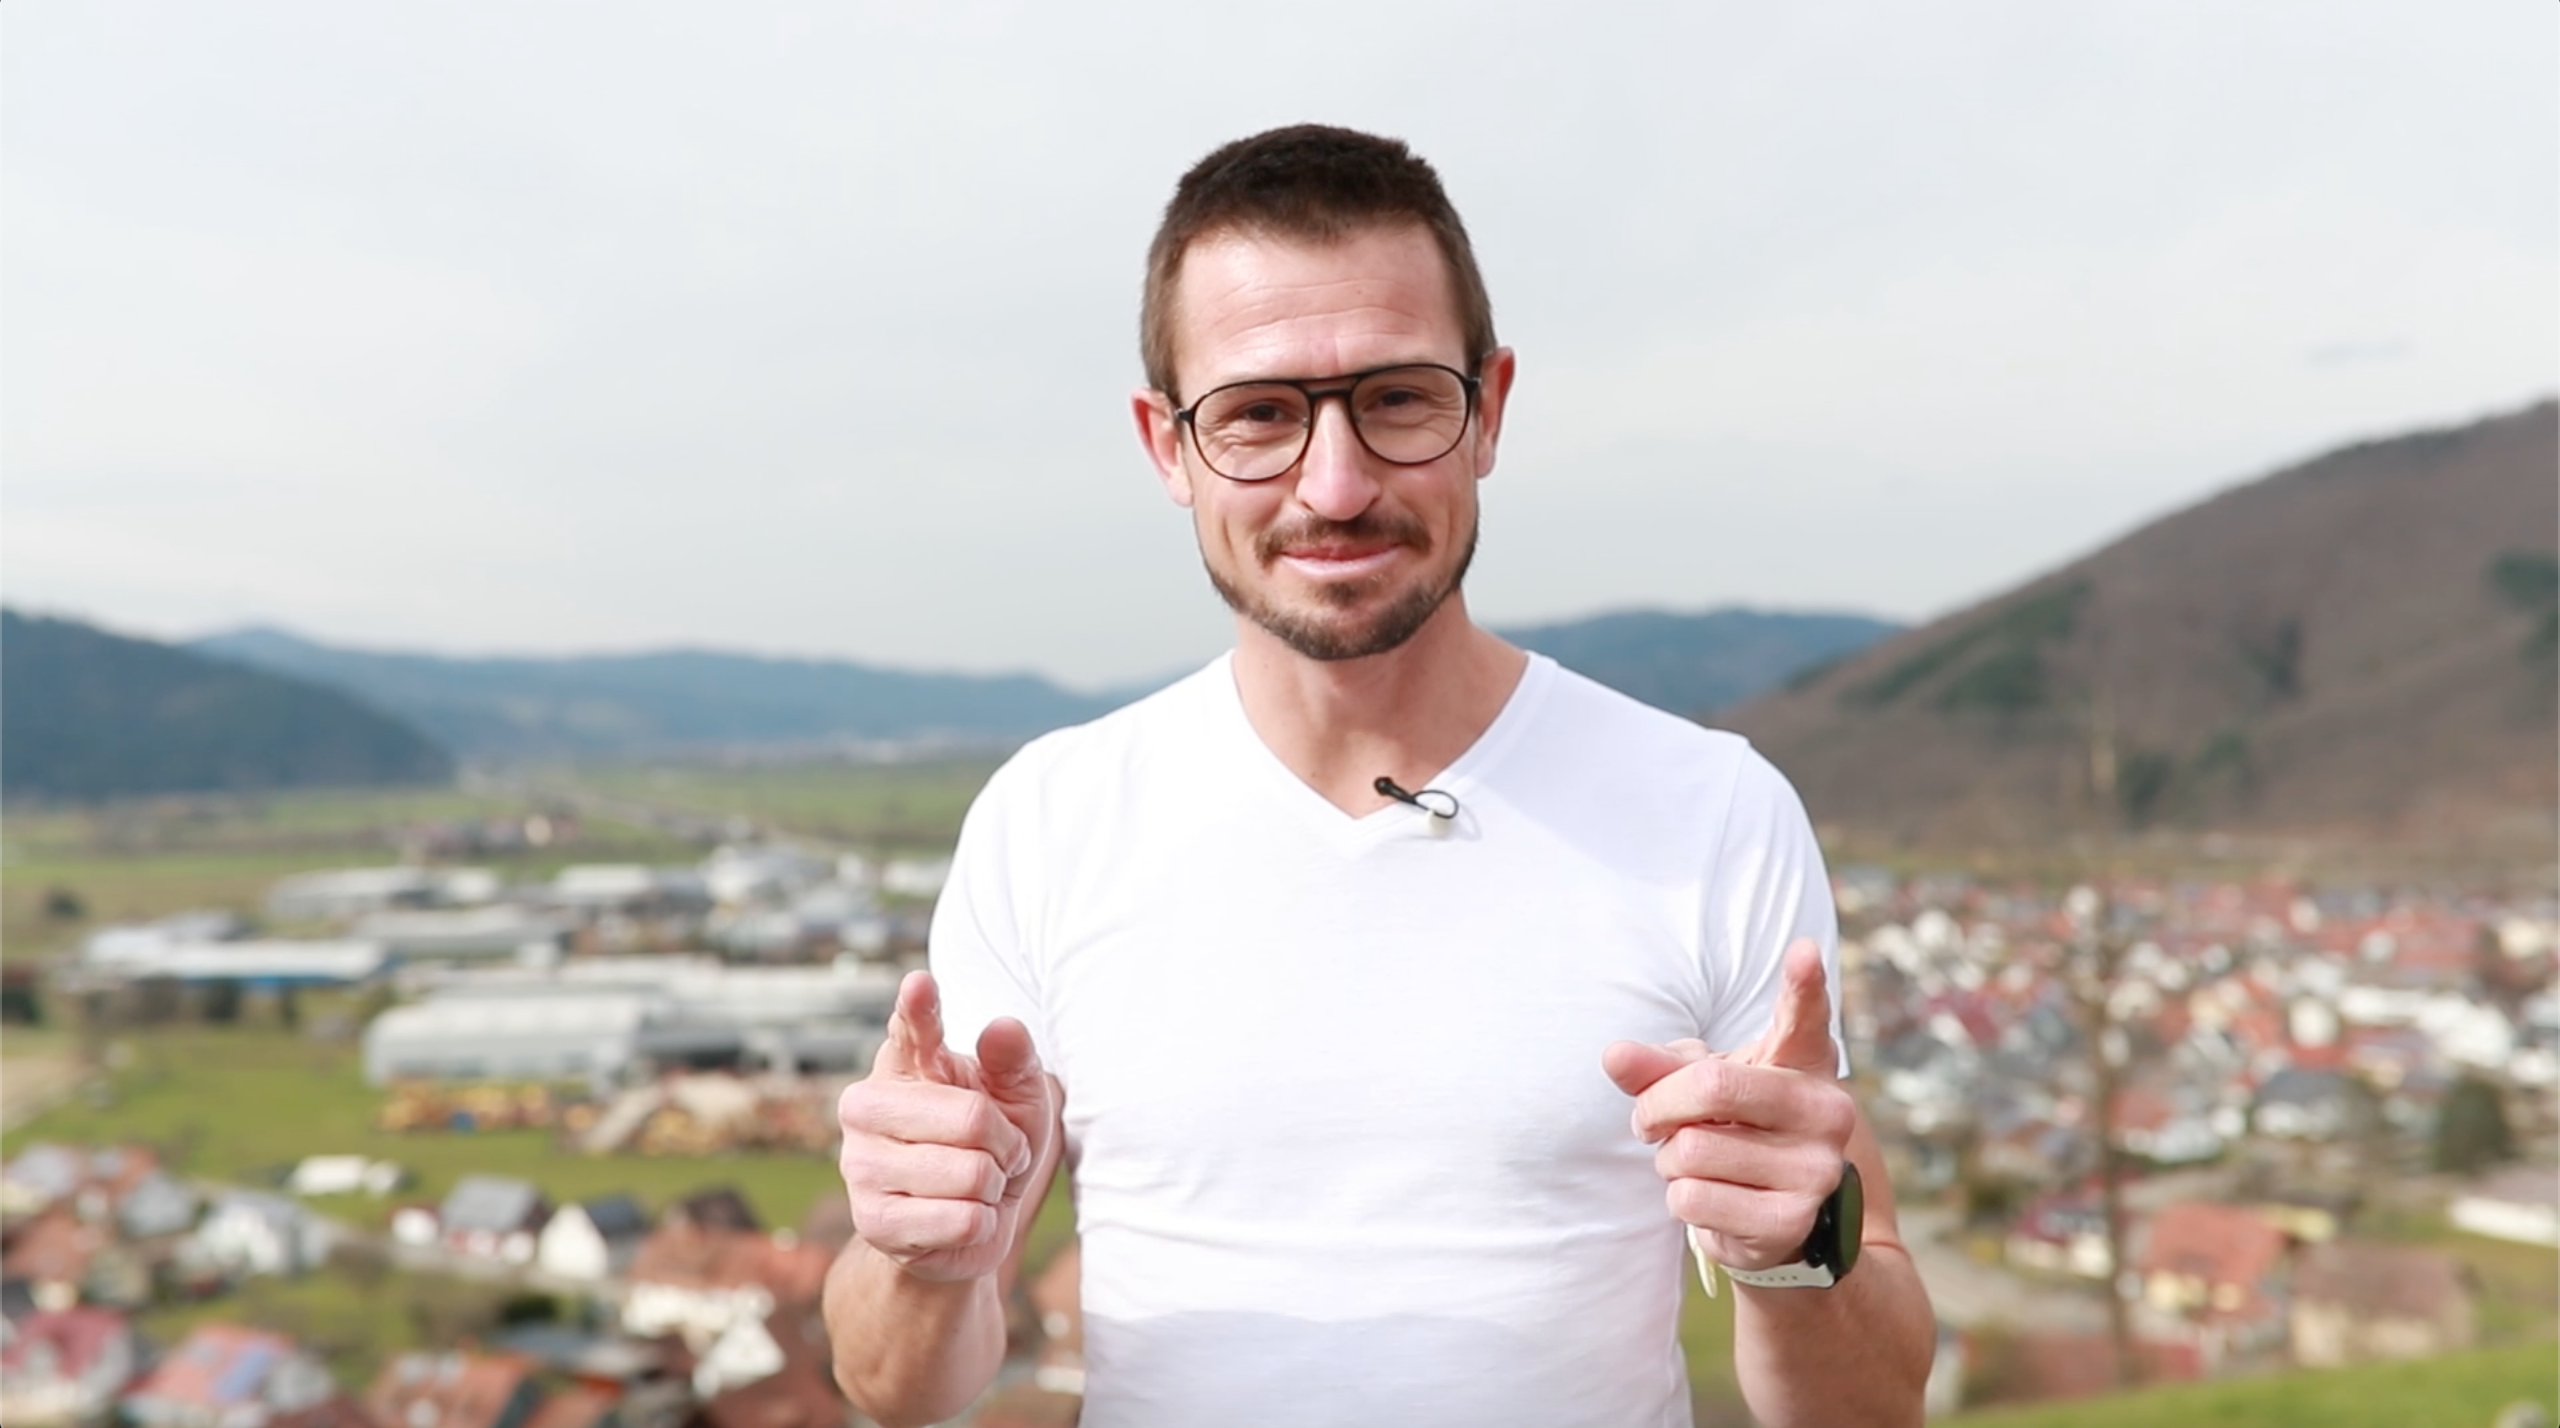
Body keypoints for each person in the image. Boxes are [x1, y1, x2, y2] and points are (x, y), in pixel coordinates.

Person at [823, 124, 1935, 1427]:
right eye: (1259, 414)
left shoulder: (1709, 810)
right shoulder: (1050, 819)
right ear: (1167, 446)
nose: (1337, 486)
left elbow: (1865, 1411)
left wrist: (1802, 1251)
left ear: (1489, 409)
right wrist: (921, 1259)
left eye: (1399, 398)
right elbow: (899, 1392)